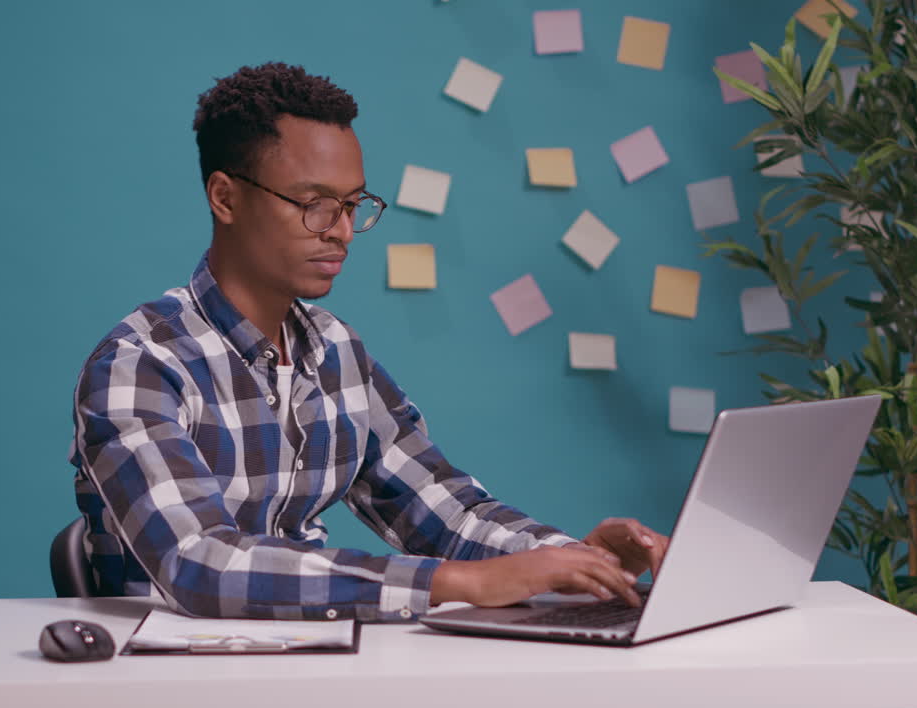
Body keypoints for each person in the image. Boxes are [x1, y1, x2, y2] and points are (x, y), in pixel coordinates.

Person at [70, 62, 669, 622]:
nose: (340, 232)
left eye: (352, 205)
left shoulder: (334, 352)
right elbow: (202, 565)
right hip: (168, 679)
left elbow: (442, 510)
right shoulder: (141, 363)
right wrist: (454, 584)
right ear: (225, 197)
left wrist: (573, 558)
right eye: (312, 204)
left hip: (315, 664)